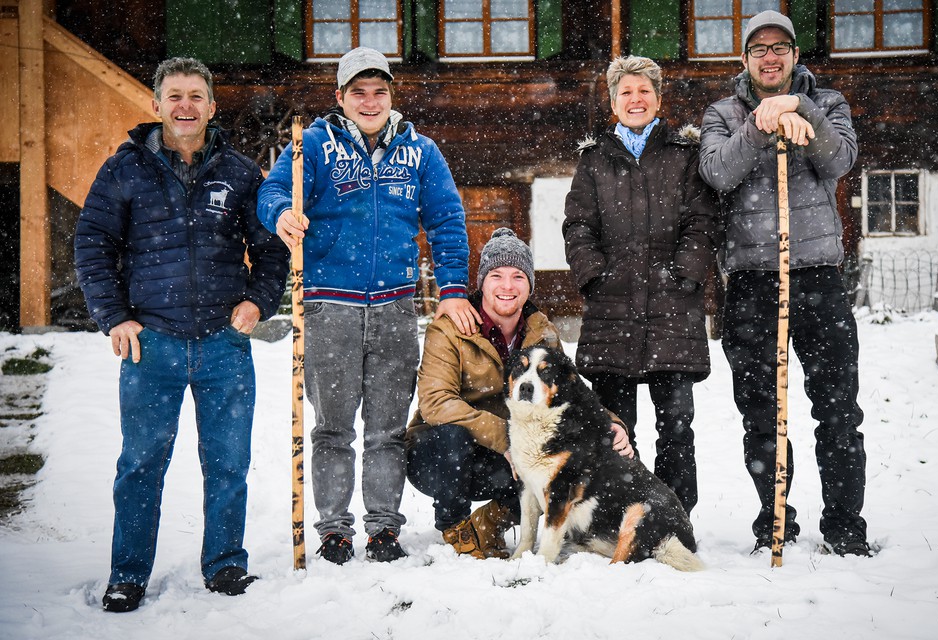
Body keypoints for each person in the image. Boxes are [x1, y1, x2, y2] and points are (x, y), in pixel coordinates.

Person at [74, 57, 290, 612]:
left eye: (196, 96)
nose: (186, 106)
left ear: (212, 107)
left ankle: (225, 566)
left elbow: (270, 250)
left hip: (225, 344)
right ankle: (127, 574)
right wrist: (114, 315)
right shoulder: (124, 170)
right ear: (156, 104)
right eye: (175, 96)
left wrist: (257, 301)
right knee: (141, 465)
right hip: (153, 344)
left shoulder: (240, 172)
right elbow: (93, 244)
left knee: (228, 463)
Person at [258, 47, 477, 565]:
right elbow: (271, 194)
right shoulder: (312, 145)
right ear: (340, 97)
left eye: (379, 91)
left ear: (392, 96)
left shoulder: (420, 151)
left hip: (396, 307)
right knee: (332, 427)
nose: (370, 100)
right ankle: (334, 529)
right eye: (358, 91)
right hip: (329, 306)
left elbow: (446, 222)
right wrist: (283, 216)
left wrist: (450, 290)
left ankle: (383, 528)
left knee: (386, 428)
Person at [698, 10, 869, 556]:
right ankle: (775, 519)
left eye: (780, 48)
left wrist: (801, 109)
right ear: (744, 59)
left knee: (837, 407)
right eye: (759, 49)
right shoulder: (722, 113)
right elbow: (717, 172)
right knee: (762, 412)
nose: (770, 57)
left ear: (795, 55)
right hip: (752, 281)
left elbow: (839, 160)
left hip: (817, 275)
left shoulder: (831, 104)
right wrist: (761, 122)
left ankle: (844, 525)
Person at [406, 228, 634, 559]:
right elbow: (436, 404)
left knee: (566, 460)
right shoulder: (449, 329)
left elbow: (572, 392)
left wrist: (612, 424)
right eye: (497, 275)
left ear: (529, 284)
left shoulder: (542, 331)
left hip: (510, 458)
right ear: (482, 282)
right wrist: (507, 438)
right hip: (442, 457)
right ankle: (456, 530)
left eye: (517, 276)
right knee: (451, 436)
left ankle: (492, 521)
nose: (507, 286)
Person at [563, 56, 717, 516]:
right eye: (626, 92)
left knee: (676, 424)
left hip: (673, 309)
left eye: (644, 91)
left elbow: (701, 221)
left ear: (658, 98)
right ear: (613, 102)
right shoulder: (593, 160)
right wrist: (594, 276)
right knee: (614, 426)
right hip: (611, 311)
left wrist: (685, 274)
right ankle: (620, 513)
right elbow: (578, 226)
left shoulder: (684, 155)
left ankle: (674, 514)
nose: (636, 99)